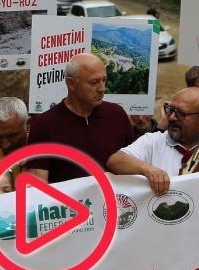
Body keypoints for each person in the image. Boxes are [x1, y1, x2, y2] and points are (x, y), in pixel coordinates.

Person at [25, 53, 135, 183]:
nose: (102, 88)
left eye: (104, 80)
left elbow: (133, 161)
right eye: (94, 82)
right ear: (71, 83)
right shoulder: (43, 126)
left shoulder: (117, 114)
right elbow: (37, 183)